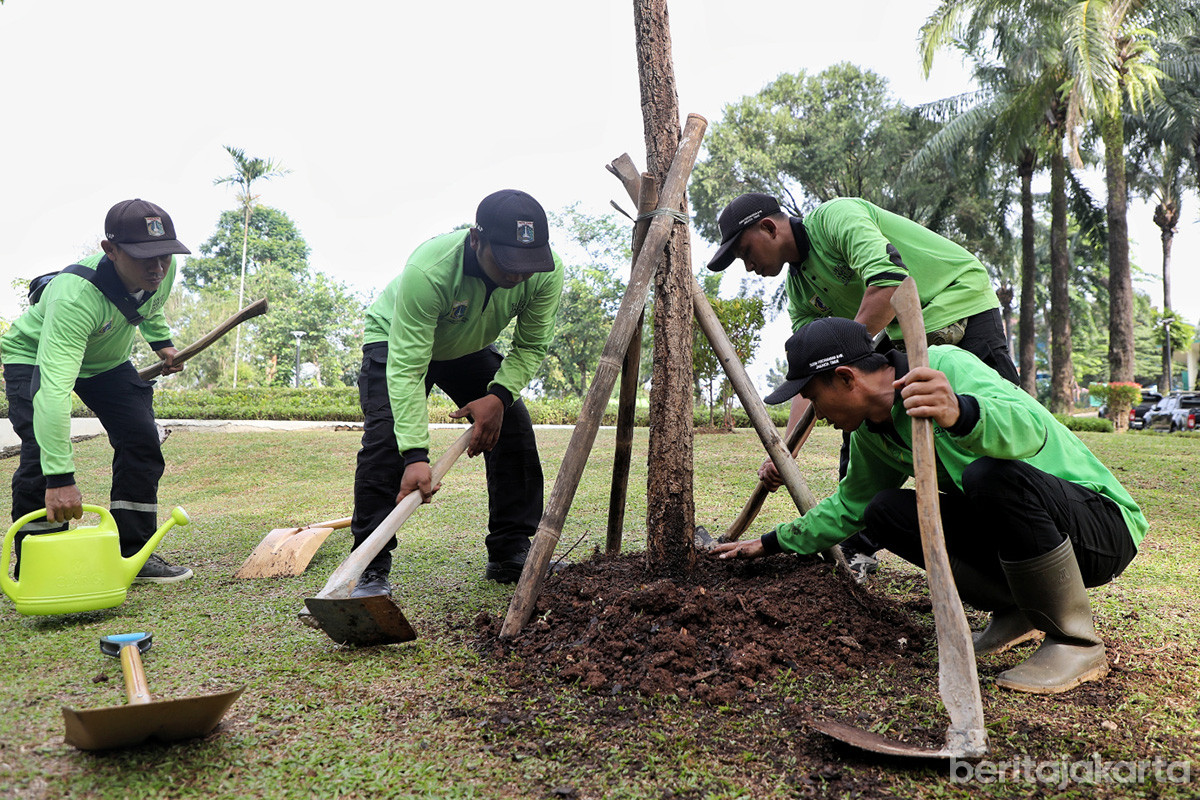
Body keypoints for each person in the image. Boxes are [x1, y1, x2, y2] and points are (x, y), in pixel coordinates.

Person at [711, 318, 1146, 694]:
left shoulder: (942, 366)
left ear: (846, 378)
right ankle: (1018, 609)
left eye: (812, 395)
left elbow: (1032, 428)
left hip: (1098, 526)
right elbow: (849, 506)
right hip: (1021, 536)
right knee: (883, 510)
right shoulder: (872, 435)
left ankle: (1077, 642)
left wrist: (962, 412)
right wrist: (771, 543)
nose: (815, 412)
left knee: (987, 476)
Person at [707, 193, 1021, 578]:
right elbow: (812, 377)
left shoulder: (836, 218)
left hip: (957, 303)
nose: (748, 265)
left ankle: (1037, 547)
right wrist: (786, 453)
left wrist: (845, 359)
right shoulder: (801, 289)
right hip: (899, 329)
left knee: (989, 435)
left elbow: (891, 282)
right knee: (858, 416)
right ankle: (858, 546)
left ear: (769, 227)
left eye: (745, 251)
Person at [349, 189, 564, 597]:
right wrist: (414, 455)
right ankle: (369, 569)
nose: (518, 275)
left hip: (465, 346)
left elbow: (531, 345)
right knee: (386, 442)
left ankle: (510, 552)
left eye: (527, 264)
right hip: (395, 342)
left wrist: (498, 396)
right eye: (507, 263)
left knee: (512, 428)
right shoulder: (430, 271)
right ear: (476, 240)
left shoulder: (545, 272)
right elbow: (409, 367)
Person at [2, 199, 192, 582]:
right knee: (42, 451)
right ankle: (40, 565)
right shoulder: (74, 296)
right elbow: (53, 392)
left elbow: (150, 309)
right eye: (144, 258)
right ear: (111, 250)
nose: (157, 268)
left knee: (140, 437)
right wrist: (61, 479)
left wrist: (162, 345)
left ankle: (132, 552)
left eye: (164, 256)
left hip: (104, 360)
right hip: (36, 355)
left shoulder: (161, 271)